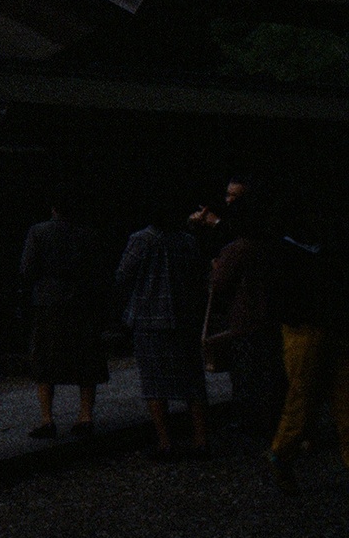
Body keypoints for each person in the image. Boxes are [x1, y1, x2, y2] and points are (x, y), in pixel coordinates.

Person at [113, 198, 209, 459]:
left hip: (149, 319)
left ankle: (165, 442)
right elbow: (199, 276)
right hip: (184, 319)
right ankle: (200, 438)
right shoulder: (187, 241)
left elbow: (123, 275)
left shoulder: (142, 239)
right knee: (193, 382)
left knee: (155, 383)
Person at [266, 208, 347, 495]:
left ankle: (282, 453)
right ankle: (282, 452)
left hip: (319, 327)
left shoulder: (289, 247)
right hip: (310, 327)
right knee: (305, 397)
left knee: (316, 397)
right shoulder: (294, 248)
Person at [21, 194, 107, 438]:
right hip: (82, 302)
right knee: (86, 358)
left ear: (53, 208)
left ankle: (47, 418)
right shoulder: (89, 234)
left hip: (49, 302)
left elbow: (27, 269)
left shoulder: (38, 232)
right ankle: (85, 415)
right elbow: (99, 269)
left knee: (45, 360)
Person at [205, 199, 286, 448]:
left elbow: (219, 284)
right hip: (272, 317)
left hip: (246, 320)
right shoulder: (272, 246)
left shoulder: (237, 249)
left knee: (247, 377)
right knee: (272, 375)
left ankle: (254, 427)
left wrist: (216, 269)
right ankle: (277, 426)